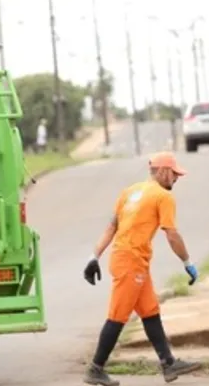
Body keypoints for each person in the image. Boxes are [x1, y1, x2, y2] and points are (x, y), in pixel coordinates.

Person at [81, 151, 202, 386]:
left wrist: (93, 256)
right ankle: (95, 368)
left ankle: (168, 363)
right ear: (163, 171)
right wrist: (187, 262)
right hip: (131, 261)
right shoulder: (162, 197)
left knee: (150, 311)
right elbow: (172, 234)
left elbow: (111, 227)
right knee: (117, 316)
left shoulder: (130, 192)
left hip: (130, 260)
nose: (176, 178)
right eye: (174, 173)